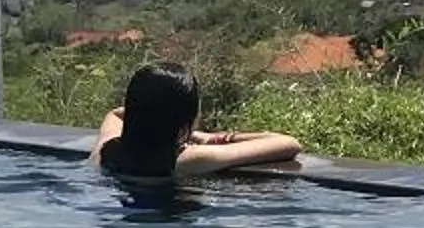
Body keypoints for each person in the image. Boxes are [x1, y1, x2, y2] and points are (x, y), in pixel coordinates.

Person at [92, 63, 302, 182]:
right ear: (185, 123)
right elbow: (289, 144)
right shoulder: (188, 160)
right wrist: (214, 138)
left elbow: (115, 114)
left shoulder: (105, 150)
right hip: (168, 224)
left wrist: (153, 118)